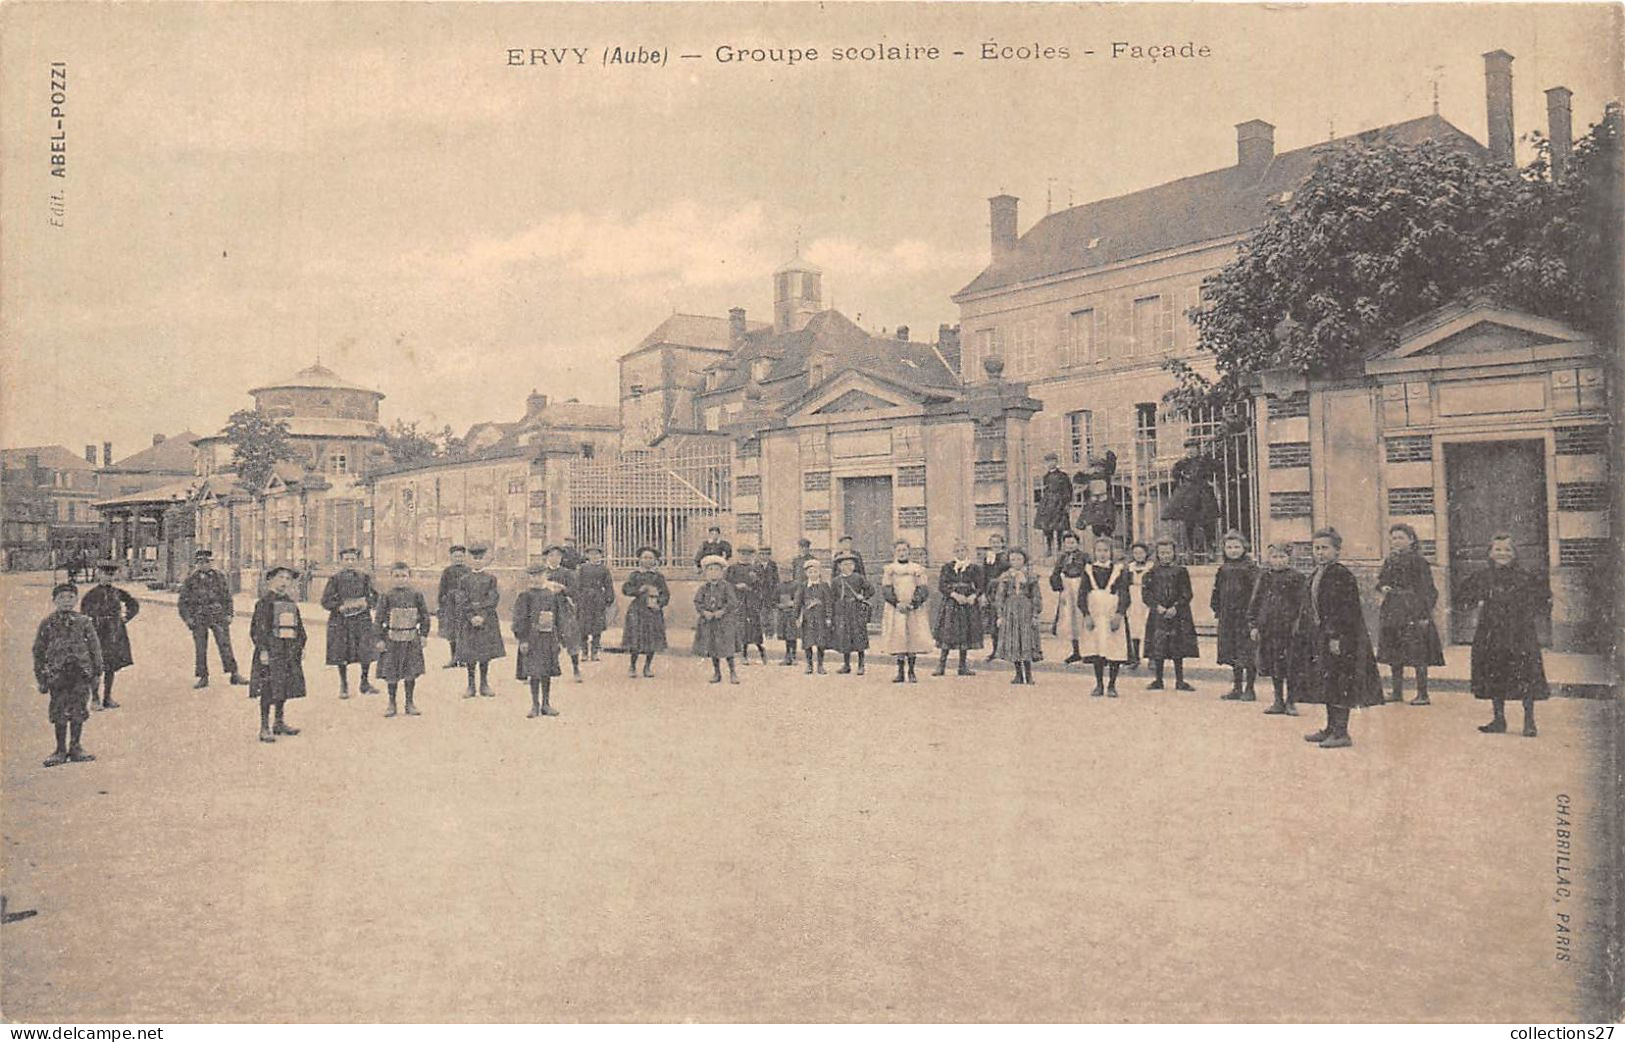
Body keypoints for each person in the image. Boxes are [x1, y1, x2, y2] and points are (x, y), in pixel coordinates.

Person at [1289, 528, 1384, 749]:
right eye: (1316, 548)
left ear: (1337, 551)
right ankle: (1331, 727)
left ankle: (1341, 732)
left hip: (1341, 639)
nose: (1320, 553)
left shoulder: (1341, 575)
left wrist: (1336, 637)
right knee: (1328, 682)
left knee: (1341, 682)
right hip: (1321, 636)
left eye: (1325, 548)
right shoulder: (1317, 573)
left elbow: (1344, 611)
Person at [1460, 533, 1550, 738]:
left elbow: (1543, 599)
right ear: (1490, 553)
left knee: (1525, 673)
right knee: (1495, 672)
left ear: (1515, 554)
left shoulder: (1526, 576)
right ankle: (1498, 719)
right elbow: (1464, 597)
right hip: (1491, 632)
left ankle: (1529, 721)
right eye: (1497, 550)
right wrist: (1476, 602)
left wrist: (1528, 613)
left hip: (1520, 633)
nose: (1502, 554)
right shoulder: (1482, 576)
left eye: (1507, 550)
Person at [33, 582, 102, 767]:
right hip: (58, 674)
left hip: (80, 673)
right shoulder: (48, 623)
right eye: (61, 598)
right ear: (54, 601)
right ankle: (60, 749)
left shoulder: (84, 622)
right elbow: (38, 651)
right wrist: (41, 677)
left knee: (79, 708)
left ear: (76, 600)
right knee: (59, 709)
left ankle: (76, 747)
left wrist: (97, 671)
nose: (66, 601)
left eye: (70, 597)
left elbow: (95, 648)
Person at [1376, 523, 1446, 706]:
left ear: (1411, 540)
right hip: (1393, 611)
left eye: (1401, 537)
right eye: (1393, 538)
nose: (1396, 541)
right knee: (1394, 651)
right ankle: (1397, 691)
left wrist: (1423, 614)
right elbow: (1381, 581)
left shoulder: (1419, 561)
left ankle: (1423, 693)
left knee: (1418, 653)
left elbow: (1429, 590)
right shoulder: (1390, 560)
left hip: (1413, 611)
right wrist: (1383, 587)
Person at [1248, 544, 1307, 716]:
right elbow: (1256, 601)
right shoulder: (1265, 577)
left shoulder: (1297, 577)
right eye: (1274, 557)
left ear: (1290, 558)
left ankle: (1291, 701)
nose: (1278, 561)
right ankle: (1278, 700)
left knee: (1291, 665)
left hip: (1289, 630)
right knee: (1275, 665)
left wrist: (1299, 624)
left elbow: (1303, 604)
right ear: (1269, 558)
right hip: (1269, 628)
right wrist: (1254, 625)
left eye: (1282, 557)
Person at [249, 565, 306, 743]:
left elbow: (299, 628)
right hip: (271, 651)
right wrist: (263, 650)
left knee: (284, 685)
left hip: (288, 650)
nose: (284, 582)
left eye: (288, 579)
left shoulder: (290, 604)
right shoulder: (264, 603)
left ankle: (279, 722)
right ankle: (264, 726)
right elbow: (257, 630)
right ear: (270, 580)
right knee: (268, 687)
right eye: (280, 578)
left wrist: (301, 646)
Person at [178, 548, 245, 689]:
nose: (204, 565)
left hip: (217, 615)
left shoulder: (219, 577)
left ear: (211, 562)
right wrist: (188, 619)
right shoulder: (191, 580)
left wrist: (229, 614)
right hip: (199, 616)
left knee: (225, 645)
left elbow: (227, 597)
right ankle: (203, 677)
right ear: (197, 564)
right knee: (201, 648)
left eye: (207, 562)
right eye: (201, 562)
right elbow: (182, 602)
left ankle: (234, 674)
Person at [373, 561, 429, 718]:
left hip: (411, 638)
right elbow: (378, 619)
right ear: (391, 577)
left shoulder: (416, 595)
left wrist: (423, 634)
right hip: (392, 638)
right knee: (391, 672)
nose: (400, 579)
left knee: (410, 671)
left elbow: (425, 616)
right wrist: (379, 639)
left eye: (404, 576)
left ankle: (409, 702)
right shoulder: (386, 596)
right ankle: (392, 703)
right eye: (396, 576)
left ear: (409, 577)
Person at [1077, 536, 1131, 697]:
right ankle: (1099, 684)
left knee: (1114, 648)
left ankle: (1112, 685)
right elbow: (1081, 595)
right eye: (1099, 551)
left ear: (1111, 552)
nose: (1102, 554)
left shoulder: (1119, 570)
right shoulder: (1088, 570)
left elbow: (1125, 594)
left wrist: (1119, 614)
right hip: (1095, 614)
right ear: (1094, 552)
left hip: (1111, 614)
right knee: (1096, 648)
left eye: (1106, 551)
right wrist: (1086, 615)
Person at [321, 547, 379, 698]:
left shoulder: (364, 578)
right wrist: (339, 607)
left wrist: (368, 603)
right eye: (346, 559)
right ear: (341, 561)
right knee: (342, 652)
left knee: (366, 651)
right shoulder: (335, 579)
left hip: (361, 620)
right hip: (342, 621)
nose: (350, 562)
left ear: (357, 561)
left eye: (353, 559)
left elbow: (374, 596)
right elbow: (325, 600)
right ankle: (344, 684)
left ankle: (364, 682)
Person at [80, 561, 138, 710]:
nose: (108, 578)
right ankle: (95, 698)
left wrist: (126, 618)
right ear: (99, 574)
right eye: (105, 574)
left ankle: (107, 697)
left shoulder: (117, 592)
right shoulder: (91, 595)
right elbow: (83, 615)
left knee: (111, 666)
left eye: (111, 575)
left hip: (114, 633)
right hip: (98, 633)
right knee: (96, 666)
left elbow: (133, 604)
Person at [1142, 538, 1198, 691]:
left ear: (1174, 553)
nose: (1165, 556)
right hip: (1158, 615)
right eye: (1162, 553)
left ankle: (1180, 680)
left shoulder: (1181, 571)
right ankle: (1158, 680)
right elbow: (1146, 593)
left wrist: (1176, 606)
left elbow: (1187, 593)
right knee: (1158, 647)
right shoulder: (1151, 572)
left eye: (1168, 553)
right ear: (1157, 555)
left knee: (1177, 647)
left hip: (1177, 615)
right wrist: (1156, 606)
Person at [1212, 530, 1260, 702]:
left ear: (1244, 548)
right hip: (1228, 616)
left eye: (1237, 547)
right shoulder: (1223, 569)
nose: (1233, 550)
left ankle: (1250, 688)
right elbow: (1217, 590)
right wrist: (1216, 608)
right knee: (1232, 651)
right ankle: (1237, 687)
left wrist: (1253, 615)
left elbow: (1257, 593)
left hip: (1244, 616)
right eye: (1229, 547)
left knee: (1247, 652)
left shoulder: (1250, 569)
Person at [512, 562, 564, 717]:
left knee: (547, 670)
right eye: (533, 576)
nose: (537, 579)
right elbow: (519, 619)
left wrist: (559, 638)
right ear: (530, 577)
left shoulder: (551, 595)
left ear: (546, 576)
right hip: (532, 638)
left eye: (540, 575)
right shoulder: (525, 596)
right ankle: (535, 704)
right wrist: (523, 640)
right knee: (534, 672)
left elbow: (558, 618)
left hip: (548, 637)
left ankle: (546, 704)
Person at [456, 544, 506, 697]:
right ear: (470, 560)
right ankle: (471, 685)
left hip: (486, 620)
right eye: (474, 558)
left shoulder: (491, 579)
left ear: (485, 560)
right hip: (468, 620)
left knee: (485, 653)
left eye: (480, 558)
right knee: (470, 652)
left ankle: (484, 683)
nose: (477, 561)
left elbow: (493, 598)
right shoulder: (464, 579)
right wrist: (472, 616)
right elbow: (461, 599)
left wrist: (482, 616)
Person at [880, 540, 932, 683]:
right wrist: (897, 603)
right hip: (896, 609)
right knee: (899, 638)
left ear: (909, 552)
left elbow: (923, 589)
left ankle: (912, 671)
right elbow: (886, 589)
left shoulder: (917, 569)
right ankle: (900, 671)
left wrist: (913, 603)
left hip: (913, 609)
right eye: (899, 550)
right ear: (894, 552)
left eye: (904, 550)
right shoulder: (890, 570)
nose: (902, 553)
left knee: (912, 637)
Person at [933, 539, 985, 676]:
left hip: (968, 604)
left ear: (967, 552)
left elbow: (980, 585)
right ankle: (941, 664)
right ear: (953, 553)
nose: (960, 553)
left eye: (963, 550)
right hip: (952, 604)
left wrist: (973, 596)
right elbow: (942, 585)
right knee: (948, 633)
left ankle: (962, 666)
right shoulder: (948, 567)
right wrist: (954, 595)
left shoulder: (974, 568)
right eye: (957, 551)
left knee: (965, 633)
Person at [992, 547, 1043, 685]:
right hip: (1010, 611)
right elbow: (1000, 596)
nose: (1016, 562)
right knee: (1014, 640)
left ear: (1024, 560)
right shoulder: (1006, 577)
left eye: (1019, 559)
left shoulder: (1030, 576)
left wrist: (1035, 614)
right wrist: (1000, 615)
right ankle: (1018, 674)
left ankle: (1029, 674)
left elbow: (1036, 596)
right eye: (1012, 559)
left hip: (1026, 610)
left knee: (1026, 640)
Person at [621, 546, 670, 678]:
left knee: (651, 640)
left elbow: (665, 594)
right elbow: (626, 589)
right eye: (644, 557)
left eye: (650, 558)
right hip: (637, 610)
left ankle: (647, 666)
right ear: (639, 560)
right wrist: (639, 590)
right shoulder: (635, 575)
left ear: (655, 560)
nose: (647, 560)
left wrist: (659, 603)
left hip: (653, 611)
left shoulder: (658, 576)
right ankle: (632, 665)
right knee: (636, 639)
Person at [693, 555, 742, 684]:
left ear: (722, 572)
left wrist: (723, 611)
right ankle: (717, 673)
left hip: (724, 622)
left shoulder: (726, 587)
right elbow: (698, 602)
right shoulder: (703, 588)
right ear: (706, 573)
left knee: (727, 647)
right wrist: (704, 612)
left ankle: (732, 672)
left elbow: (732, 602)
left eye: (716, 569)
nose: (713, 572)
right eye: (710, 570)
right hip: (710, 622)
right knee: (713, 647)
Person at [541, 544, 584, 683]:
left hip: (563, 608)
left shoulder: (567, 573)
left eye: (558, 556)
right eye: (551, 555)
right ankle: (544, 670)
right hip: (546, 608)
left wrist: (563, 589)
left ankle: (576, 668)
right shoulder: (543, 572)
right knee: (545, 638)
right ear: (546, 557)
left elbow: (575, 591)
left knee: (570, 636)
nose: (555, 558)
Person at [830, 551, 874, 675]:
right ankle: (846, 664)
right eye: (844, 564)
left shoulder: (858, 578)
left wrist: (862, 596)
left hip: (856, 610)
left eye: (850, 564)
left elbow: (871, 590)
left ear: (854, 566)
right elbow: (832, 597)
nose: (847, 567)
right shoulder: (836, 581)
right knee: (845, 638)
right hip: (842, 611)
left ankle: (861, 665)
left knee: (859, 637)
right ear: (839, 566)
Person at [1048, 532, 1089, 663]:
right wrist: (1059, 587)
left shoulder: (1084, 556)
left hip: (1081, 585)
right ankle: (1076, 651)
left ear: (1078, 543)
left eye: (1072, 542)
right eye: (1067, 543)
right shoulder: (1062, 558)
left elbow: (1090, 571)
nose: (1070, 545)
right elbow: (1055, 572)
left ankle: (1088, 651)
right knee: (1071, 619)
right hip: (1067, 586)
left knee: (1083, 617)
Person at [573, 546, 615, 661]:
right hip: (584, 600)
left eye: (597, 554)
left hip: (598, 600)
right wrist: (577, 598)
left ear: (601, 556)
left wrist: (609, 598)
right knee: (583, 627)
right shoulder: (582, 568)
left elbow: (608, 585)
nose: (594, 556)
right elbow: (577, 584)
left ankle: (595, 652)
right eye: (591, 554)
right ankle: (584, 652)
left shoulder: (604, 569)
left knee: (597, 627)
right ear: (587, 556)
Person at [727, 547, 767, 664]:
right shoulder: (732, 569)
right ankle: (743, 654)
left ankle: (761, 650)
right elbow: (727, 584)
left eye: (747, 554)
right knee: (742, 628)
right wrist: (736, 586)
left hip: (752, 602)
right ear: (738, 555)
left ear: (752, 556)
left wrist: (755, 582)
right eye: (742, 554)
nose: (745, 556)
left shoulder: (756, 568)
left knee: (755, 627)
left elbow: (762, 586)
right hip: (738, 602)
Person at [795, 558, 835, 675]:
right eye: (810, 572)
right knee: (808, 642)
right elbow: (798, 602)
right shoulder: (803, 586)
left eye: (815, 572)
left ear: (819, 572)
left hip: (821, 619)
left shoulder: (824, 586)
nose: (813, 574)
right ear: (806, 573)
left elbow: (829, 602)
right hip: (808, 619)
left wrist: (828, 617)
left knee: (821, 643)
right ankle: (809, 665)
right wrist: (797, 617)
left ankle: (820, 665)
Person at [436, 545, 470, 668]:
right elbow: (442, 590)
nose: (458, 559)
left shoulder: (468, 571)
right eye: (456, 556)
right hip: (450, 606)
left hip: (464, 606)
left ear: (464, 557)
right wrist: (441, 605)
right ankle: (454, 658)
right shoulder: (447, 572)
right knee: (452, 633)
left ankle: (464, 659)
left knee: (464, 632)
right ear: (451, 557)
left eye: (461, 556)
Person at [1035, 453, 1075, 556]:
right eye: (1048, 461)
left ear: (1056, 462)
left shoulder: (1063, 476)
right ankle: (1049, 547)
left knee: (1060, 527)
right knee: (1047, 527)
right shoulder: (1046, 477)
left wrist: (1066, 503)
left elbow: (1068, 490)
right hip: (1048, 503)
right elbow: (1045, 490)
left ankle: (1060, 547)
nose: (1050, 463)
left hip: (1059, 503)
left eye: (1053, 461)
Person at [980, 533, 1011, 663]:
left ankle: (1007, 649)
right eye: (992, 542)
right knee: (993, 621)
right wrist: (983, 593)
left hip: (1002, 590)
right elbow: (984, 575)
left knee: (1003, 619)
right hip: (991, 591)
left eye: (997, 542)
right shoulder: (989, 557)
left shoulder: (1006, 557)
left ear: (1002, 543)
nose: (995, 544)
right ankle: (995, 650)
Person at [1123, 542, 1152, 669]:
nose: (1138, 555)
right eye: (1136, 553)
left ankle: (1152, 657)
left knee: (1148, 626)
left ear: (1146, 553)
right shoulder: (1129, 567)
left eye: (1141, 553)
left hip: (1146, 598)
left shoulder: (1151, 567)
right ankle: (1135, 657)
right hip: (1133, 597)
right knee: (1134, 626)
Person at [754, 545, 782, 641]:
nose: (764, 556)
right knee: (761, 612)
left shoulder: (773, 565)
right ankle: (762, 631)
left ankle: (770, 632)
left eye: (766, 554)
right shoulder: (756, 565)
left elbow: (776, 579)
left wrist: (775, 591)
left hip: (770, 592)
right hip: (760, 592)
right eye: (762, 554)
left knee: (770, 612)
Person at [774, 570, 801, 666]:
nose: (785, 576)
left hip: (792, 613)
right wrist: (778, 605)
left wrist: (793, 603)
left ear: (792, 574)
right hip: (782, 614)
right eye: (783, 574)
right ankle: (787, 656)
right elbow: (774, 600)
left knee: (792, 635)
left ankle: (793, 656)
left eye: (788, 573)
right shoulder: (779, 586)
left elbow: (799, 598)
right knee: (785, 635)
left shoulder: (796, 585)